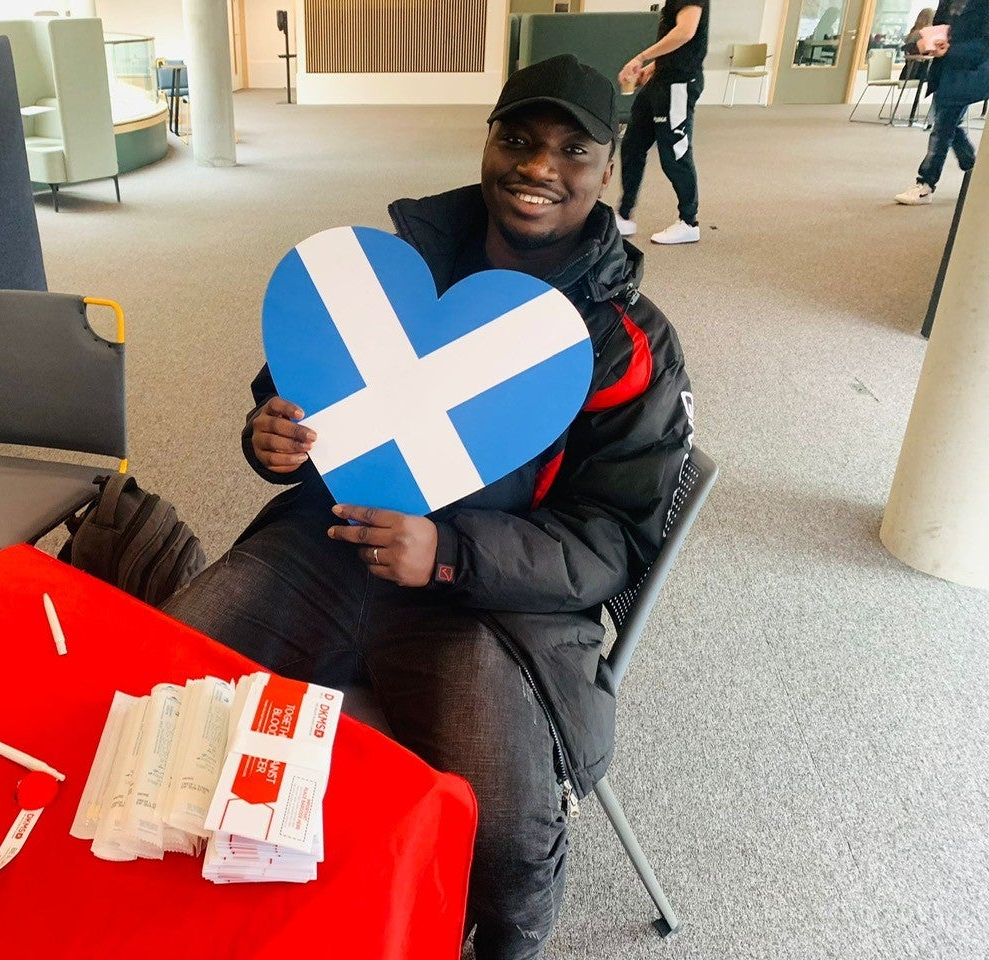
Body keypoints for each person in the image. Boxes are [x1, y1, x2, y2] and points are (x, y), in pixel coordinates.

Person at [161, 55, 694, 959]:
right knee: (165, 694)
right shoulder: (395, 264)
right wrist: (269, 434)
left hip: (493, 603)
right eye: (518, 138)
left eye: (572, 150)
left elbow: (610, 542)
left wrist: (450, 554)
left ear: (606, 169)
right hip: (333, 540)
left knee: (503, 832)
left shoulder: (628, 344)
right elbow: (299, 386)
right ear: (488, 140)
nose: (539, 167)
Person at [614, 0, 710, 245]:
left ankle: (689, 222)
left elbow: (686, 32)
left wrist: (641, 57)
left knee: (675, 154)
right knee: (633, 145)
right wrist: (653, 67)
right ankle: (624, 215)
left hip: (678, 84)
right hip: (661, 81)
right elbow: (676, 39)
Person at [895, 0, 988, 204]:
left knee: (942, 128)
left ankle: (926, 183)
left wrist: (951, 49)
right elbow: (939, 29)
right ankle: (972, 168)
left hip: (969, 72)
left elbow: (984, 45)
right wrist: (925, 43)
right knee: (947, 124)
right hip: (944, 72)